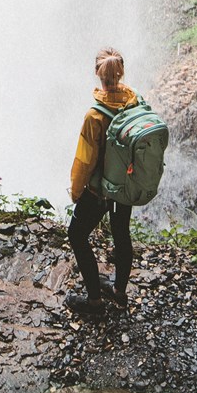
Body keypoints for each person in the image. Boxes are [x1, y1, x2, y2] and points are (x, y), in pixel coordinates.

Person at [65, 45, 137, 317]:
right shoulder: (134, 102)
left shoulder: (95, 116)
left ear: (98, 73)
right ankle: (119, 291)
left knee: (77, 235)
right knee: (121, 234)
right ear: (121, 72)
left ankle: (94, 301)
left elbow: (84, 160)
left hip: (99, 190)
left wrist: (75, 192)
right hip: (124, 184)